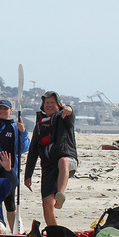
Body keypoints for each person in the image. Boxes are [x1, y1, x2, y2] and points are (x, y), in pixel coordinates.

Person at [24, 91, 77, 227]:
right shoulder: (40, 126)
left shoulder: (64, 117)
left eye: (52, 102)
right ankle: (55, 233)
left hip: (69, 162)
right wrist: (28, 175)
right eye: (47, 103)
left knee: (63, 161)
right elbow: (33, 150)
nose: (49, 105)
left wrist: (69, 108)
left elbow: (70, 113)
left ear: (59, 105)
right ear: (43, 106)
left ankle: (60, 194)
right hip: (48, 167)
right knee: (47, 204)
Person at [0, 99, 30, 232]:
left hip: (10, 170)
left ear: (11, 111)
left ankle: (14, 233)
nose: (2, 111)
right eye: (0, 108)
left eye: (5, 109)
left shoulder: (15, 128)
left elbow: (23, 148)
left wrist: (23, 132)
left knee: (10, 204)